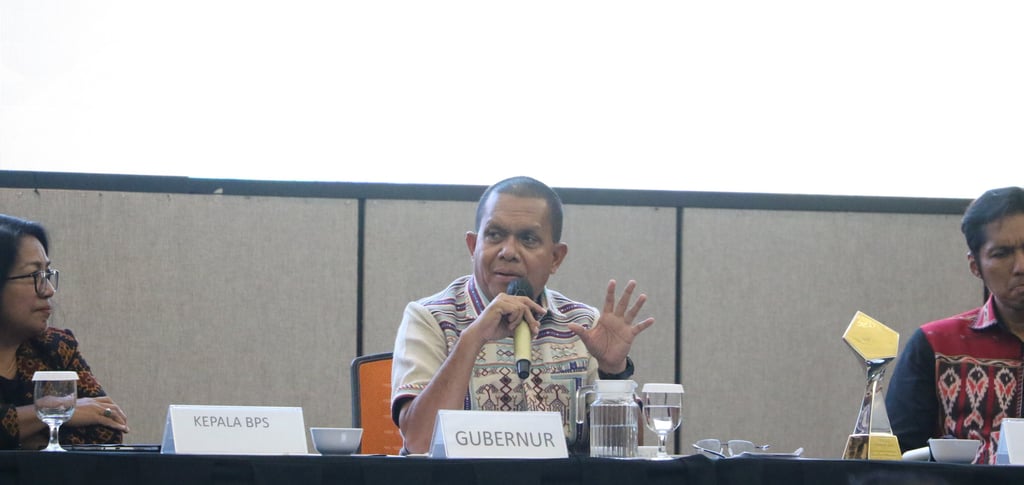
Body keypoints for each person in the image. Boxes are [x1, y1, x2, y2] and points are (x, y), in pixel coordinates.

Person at [390, 176, 655, 454]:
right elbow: (419, 442)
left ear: (555, 258)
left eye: (528, 239)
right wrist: (473, 337)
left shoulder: (583, 325)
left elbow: (623, 452)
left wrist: (614, 373)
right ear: (473, 246)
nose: (508, 252)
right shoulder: (430, 318)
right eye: (495, 235)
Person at [886, 186, 1024, 464]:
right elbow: (896, 460)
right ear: (975, 266)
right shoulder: (934, 344)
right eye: (1002, 253)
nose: (1020, 266)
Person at [0, 214, 130, 450]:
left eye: (47, 274)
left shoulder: (56, 348)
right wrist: (53, 411)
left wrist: (22, 436)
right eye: (34, 276)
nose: (49, 290)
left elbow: (108, 427)